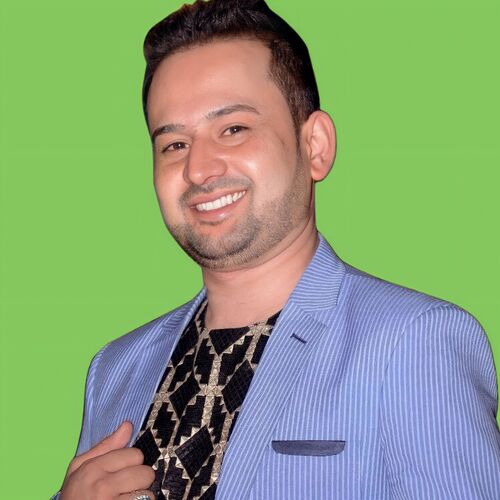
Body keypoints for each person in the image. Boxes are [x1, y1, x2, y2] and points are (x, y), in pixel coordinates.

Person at [54, 0, 500, 498]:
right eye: (174, 144)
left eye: (233, 129)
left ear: (315, 146)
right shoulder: (115, 368)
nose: (198, 169)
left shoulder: (414, 343)